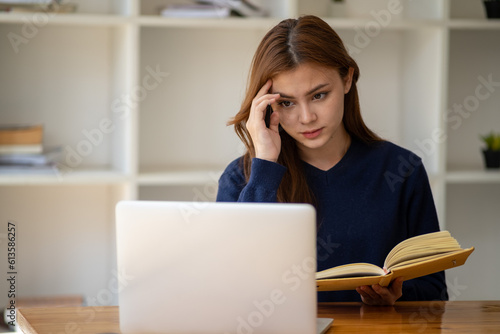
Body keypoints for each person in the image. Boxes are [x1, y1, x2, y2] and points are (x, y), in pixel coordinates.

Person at [216, 15, 448, 305]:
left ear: (347, 78)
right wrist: (264, 164)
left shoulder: (402, 170)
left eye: (319, 95)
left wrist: (396, 297)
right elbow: (228, 284)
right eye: (286, 103)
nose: (306, 117)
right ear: (266, 106)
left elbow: (435, 293)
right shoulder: (244, 177)